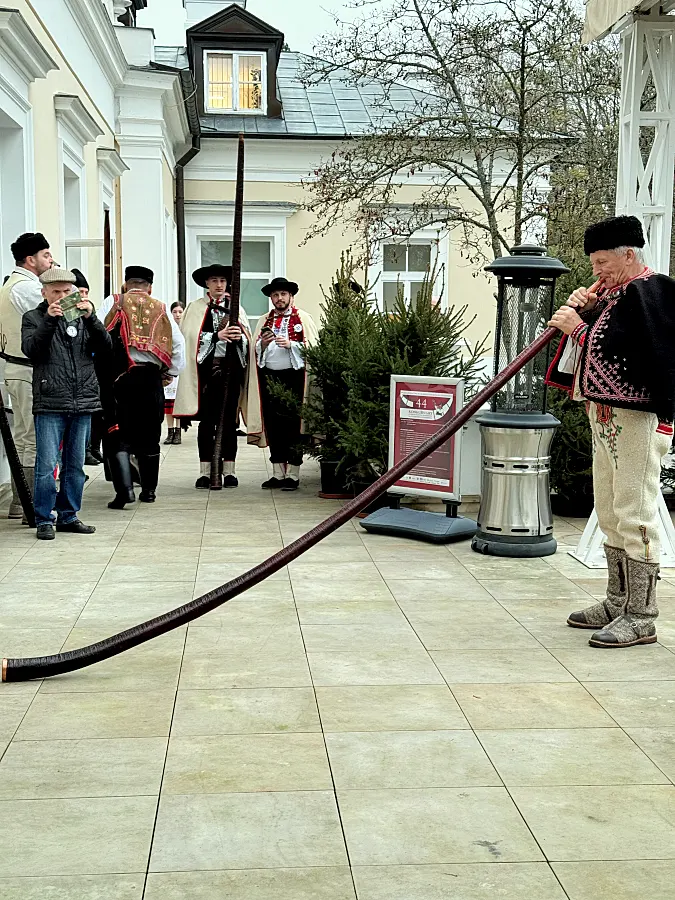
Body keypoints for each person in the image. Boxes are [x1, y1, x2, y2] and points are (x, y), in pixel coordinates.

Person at [546, 215, 675, 648]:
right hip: (604, 415)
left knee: (635, 513)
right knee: (609, 510)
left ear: (628, 254)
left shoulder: (653, 292)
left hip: (637, 420)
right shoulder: (612, 294)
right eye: (593, 263)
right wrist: (583, 310)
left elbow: (631, 351)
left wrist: (579, 327)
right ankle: (618, 601)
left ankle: (642, 615)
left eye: (602, 262)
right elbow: (592, 345)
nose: (596, 270)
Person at [21, 267, 111, 540]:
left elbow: (106, 348)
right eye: (56, 292)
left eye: (66, 291)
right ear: (44, 293)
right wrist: (49, 320)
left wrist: (92, 318)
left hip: (83, 399)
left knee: (75, 465)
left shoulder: (82, 318)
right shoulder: (33, 317)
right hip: (50, 400)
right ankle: (44, 519)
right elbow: (32, 350)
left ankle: (69, 516)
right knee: (47, 465)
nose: (62, 297)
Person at [99, 266, 185, 507]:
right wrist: (170, 372)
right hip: (150, 379)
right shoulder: (161, 308)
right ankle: (149, 491)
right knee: (150, 435)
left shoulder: (113, 302)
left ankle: (125, 492)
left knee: (117, 432)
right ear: (150, 287)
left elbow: (97, 335)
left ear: (126, 284)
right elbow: (178, 345)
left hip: (118, 378)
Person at [173, 264, 251, 489]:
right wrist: (217, 336)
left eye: (223, 281)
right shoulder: (195, 308)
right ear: (206, 283)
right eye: (214, 280)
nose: (219, 285)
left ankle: (229, 470)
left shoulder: (236, 308)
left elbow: (248, 340)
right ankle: (205, 471)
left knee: (229, 423)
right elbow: (189, 338)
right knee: (206, 424)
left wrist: (240, 338)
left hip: (231, 372)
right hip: (205, 375)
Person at [247, 276, 319, 490]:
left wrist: (292, 345)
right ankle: (278, 473)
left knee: (294, 425)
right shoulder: (264, 320)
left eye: (283, 294)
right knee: (273, 424)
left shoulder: (303, 318)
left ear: (291, 297)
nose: (279, 298)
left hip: (295, 379)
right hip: (269, 378)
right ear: (271, 298)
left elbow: (313, 348)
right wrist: (262, 344)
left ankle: (293, 474)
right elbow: (255, 351)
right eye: (275, 295)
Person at [0, 232, 53, 520]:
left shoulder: (11, 284)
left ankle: (21, 503)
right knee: (32, 439)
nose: (51, 260)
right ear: (30, 260)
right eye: (46, 255)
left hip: (16, 367)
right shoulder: (29, 288)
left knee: (23, 437)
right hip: (27, 368)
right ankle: (29, 504)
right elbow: (58, 319)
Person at [163, 302, 185, 445]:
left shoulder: (186, 328)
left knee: (179, 402)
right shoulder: (167, 327)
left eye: (180, 312)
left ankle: (178, 430)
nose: (177, 315)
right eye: (175, 312)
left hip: (182, 369)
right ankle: (170, 430)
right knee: (168, 403)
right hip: (170, 367)